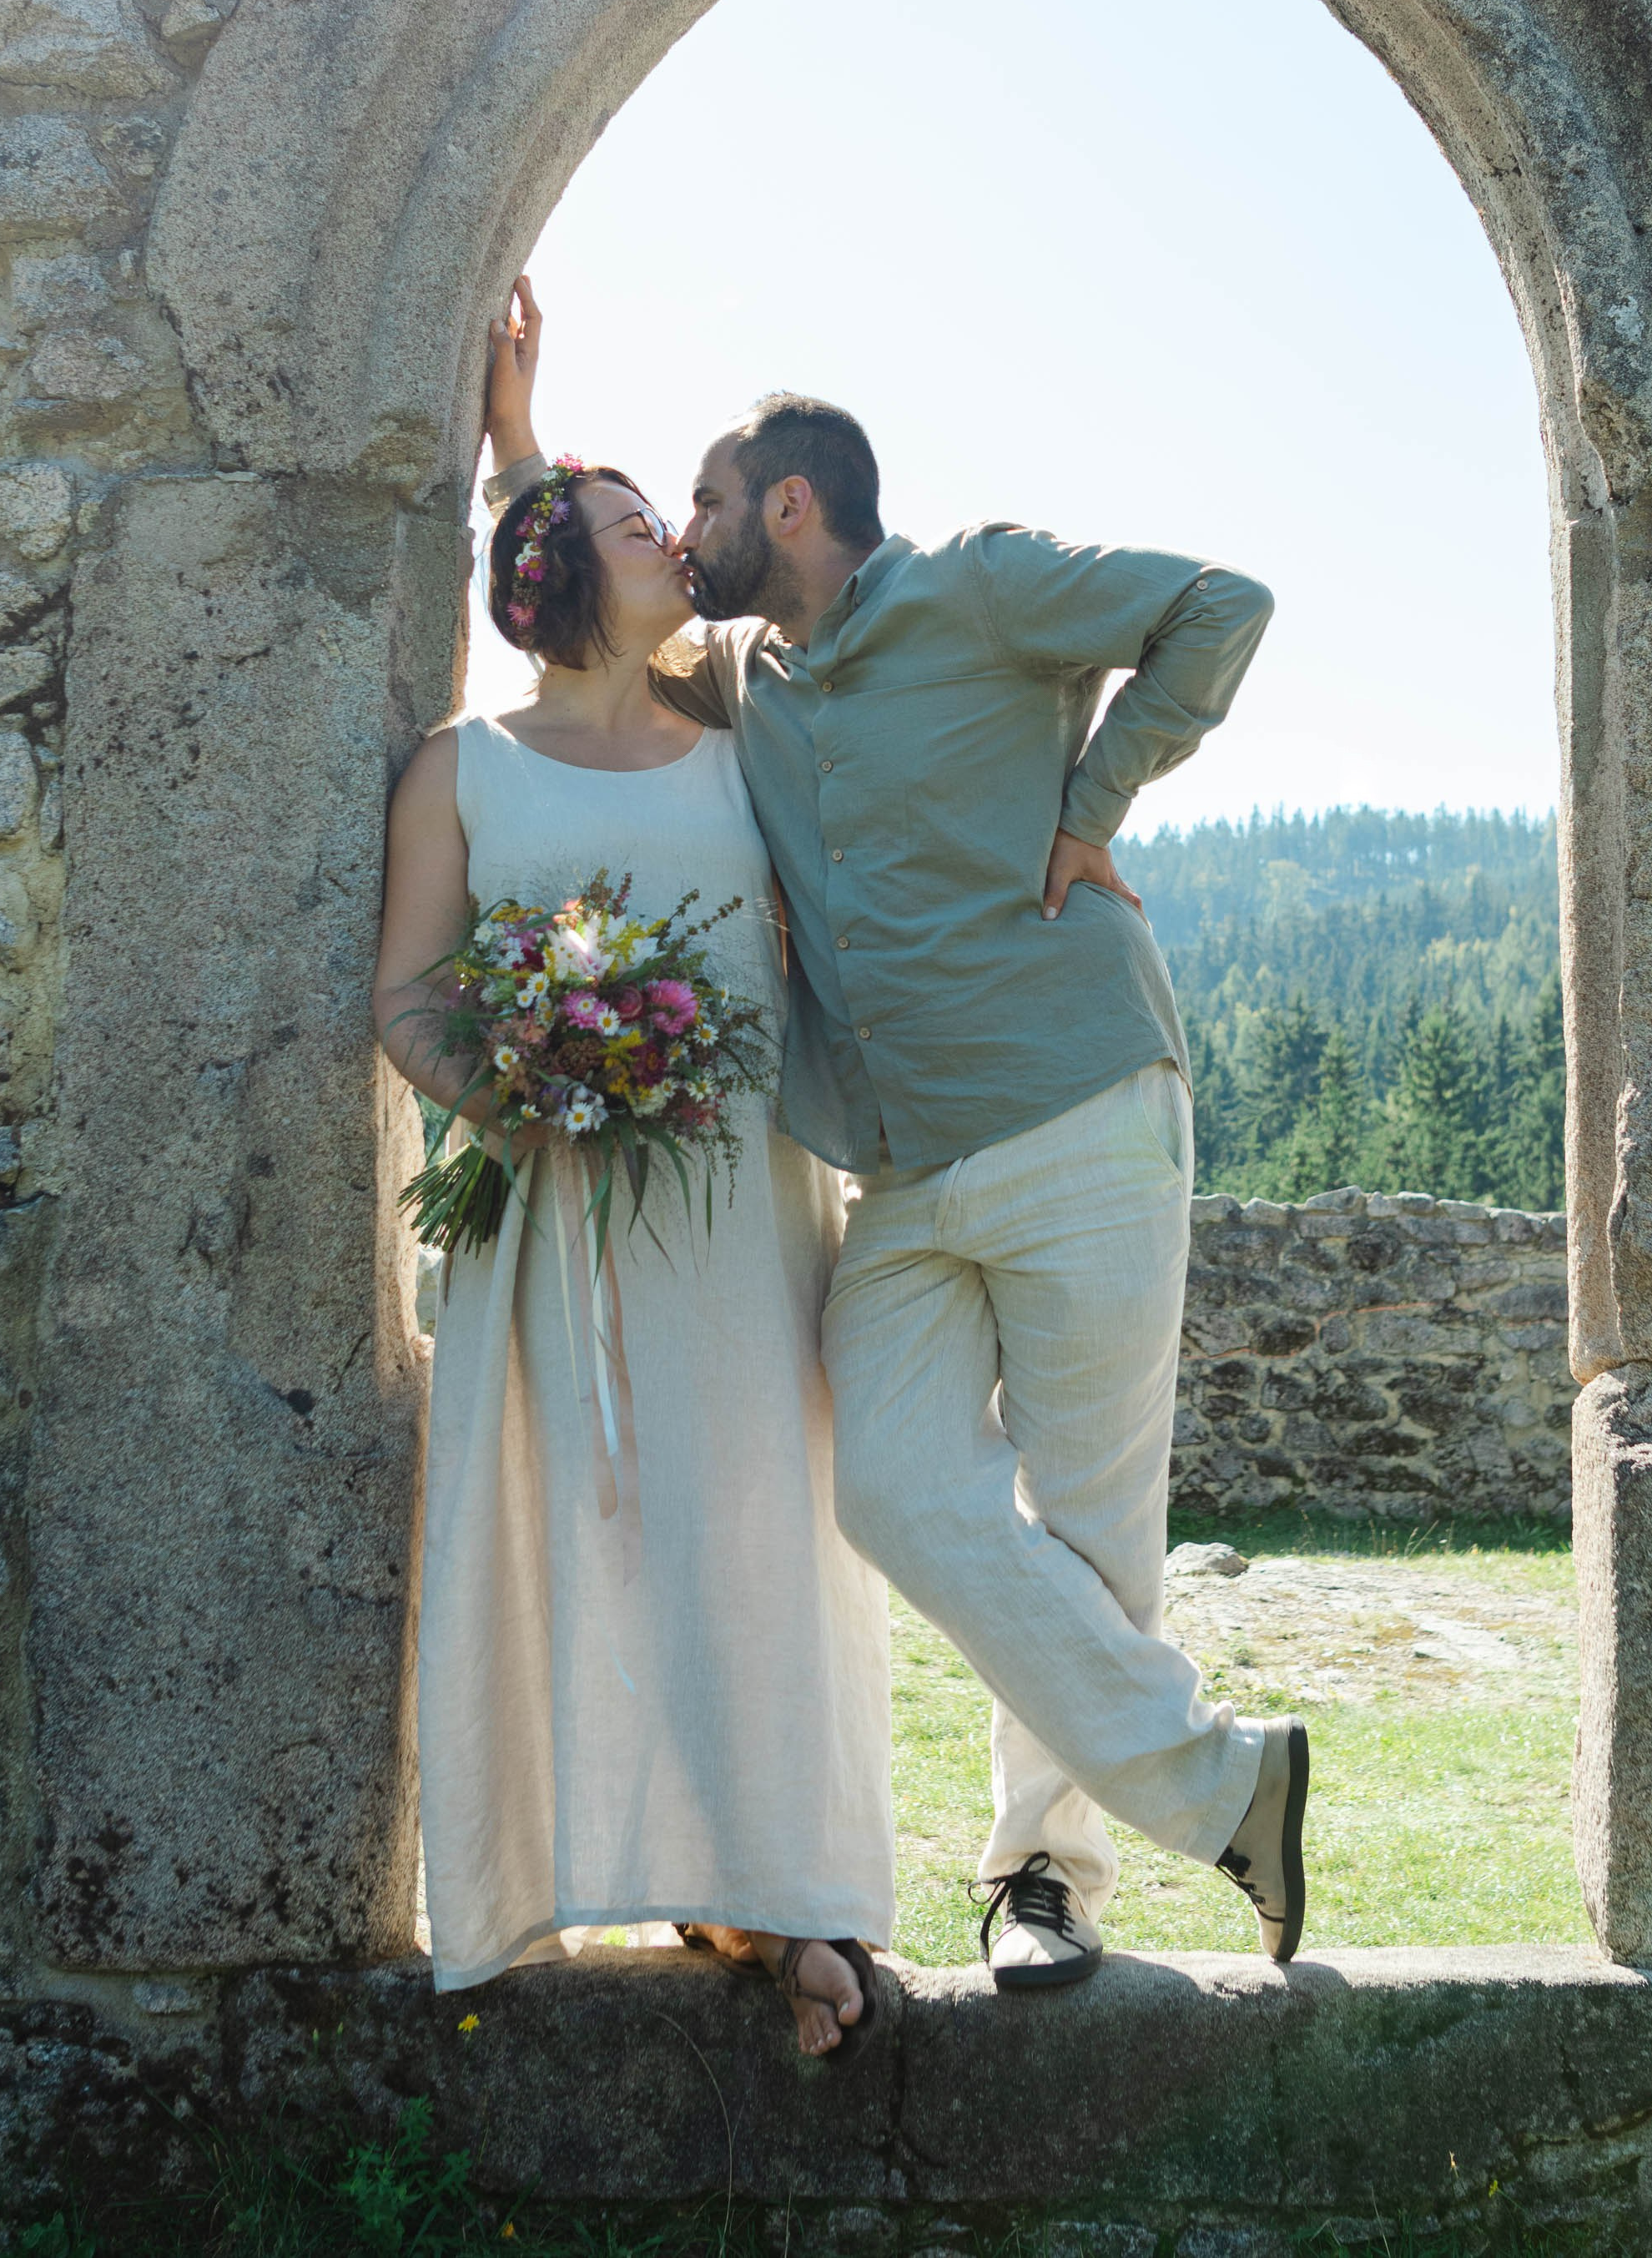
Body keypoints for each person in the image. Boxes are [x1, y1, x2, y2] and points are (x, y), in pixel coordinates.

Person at [487, 275, 1309, 1993]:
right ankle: (1232, 1782)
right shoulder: (741, 676)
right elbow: (591, 623)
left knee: (1089, 1518)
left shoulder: (982, 585)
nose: (691, 535)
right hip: (905, 1170)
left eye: (706, 503)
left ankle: (1043, 1882)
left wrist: (1091, 809)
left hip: (1084, 1102)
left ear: (787, 503)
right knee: (888, 1482)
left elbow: (1221, 604)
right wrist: (515, 448)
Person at [375, 429, 894, 2055]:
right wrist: (527, 1091)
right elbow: (407, 996)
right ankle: (623, 1867)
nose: (675, 534)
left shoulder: (732, 733)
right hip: (559, 1218)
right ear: (558, 574)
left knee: (753, 1545)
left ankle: (792, 1896)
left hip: (744, 1217)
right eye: (631, 524)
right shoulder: (464, 766)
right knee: (596, 1540)